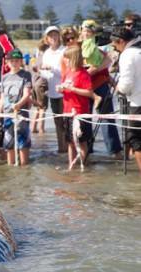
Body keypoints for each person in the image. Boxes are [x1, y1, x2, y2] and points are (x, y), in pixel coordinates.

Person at [80, 20, 122, 157]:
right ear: (81, 32)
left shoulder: (100, 49)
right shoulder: (76, 49)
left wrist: (115, 85)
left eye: (89, 31)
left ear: (94, 33)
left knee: (107, 118)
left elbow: (108, 63)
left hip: (101, 85)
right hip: (84, 88)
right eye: (85, 31)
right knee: (85, 120)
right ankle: (87, 150)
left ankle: (114, 150)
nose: (87, 34)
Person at [56, 45, 93, 170]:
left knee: (81, 141)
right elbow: (64, 88)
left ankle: (84, 166)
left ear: (74, 58)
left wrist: (73, 89)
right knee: (70, 142)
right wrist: (60, 89)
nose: (64, 61)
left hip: (80, 112)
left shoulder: (83, 74)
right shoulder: (67, 72)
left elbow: (89, 92)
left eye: (66, 58)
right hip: (67, 111)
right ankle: (71, 166)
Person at [0, 49, 32, 166]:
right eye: (12, 61)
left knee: (23, 143)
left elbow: (27, 94)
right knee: (9, 143)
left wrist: (18, 105)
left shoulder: (26, 75)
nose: (14, 63)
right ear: (7, 63)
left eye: (17, 61)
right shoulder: (4, 78)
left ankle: (24, 167)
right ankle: (11, 167)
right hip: (7, 116)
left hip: (21, 115)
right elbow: (2, 99)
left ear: (21, 61)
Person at [112, 26, 141, 173]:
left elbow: (127, 83)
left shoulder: (127, 55)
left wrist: (119, 89)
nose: (115, 48)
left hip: (137, 102)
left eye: (115, 45)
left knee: (136, 140)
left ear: (121, 41)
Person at [39, 25, 66, 153]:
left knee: (66, 122)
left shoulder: (64, 51)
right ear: (47, 39)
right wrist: (41, 71)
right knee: (57, 121)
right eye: (51, 36)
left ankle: (67, 147)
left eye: (55, 35)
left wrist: (52, 69)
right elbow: (45, 74)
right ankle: (61, 147)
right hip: (52, 92)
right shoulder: (46, 53)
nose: (53, 38)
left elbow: (66, 73)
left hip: (65, 91)